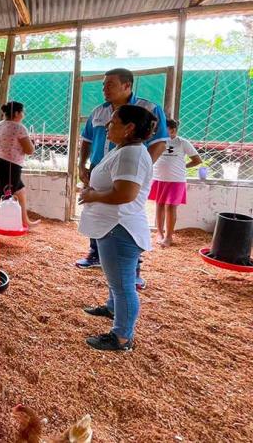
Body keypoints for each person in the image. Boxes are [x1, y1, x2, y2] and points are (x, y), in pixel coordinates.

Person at [76, 68, 168, 290]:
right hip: (101, 167)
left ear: (127, 85)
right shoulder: (99, 111)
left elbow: (160, 142)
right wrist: (82, 165)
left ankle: (133, 268)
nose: (104, 89)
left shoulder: (148, 108)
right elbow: (87, 140)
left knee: (124, 214)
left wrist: (138, 169)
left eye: (110, 84)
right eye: (103, 85)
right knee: (98, 210)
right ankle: (96, 253)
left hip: (127, 170)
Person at [78, 104, 157, 351]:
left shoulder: (131, 154)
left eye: (113, 122)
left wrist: (93, 196)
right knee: (117, 280)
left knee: (123, 286)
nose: (107, 126)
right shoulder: (124, 149)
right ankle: (112, 308)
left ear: (129, 128)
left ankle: (122, 337)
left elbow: (125, 193)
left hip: (120, 227)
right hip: (113, 226)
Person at [0, 101, 37, 230]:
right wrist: (32, 143)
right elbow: (29, 150)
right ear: (17, 113)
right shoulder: (19, 128)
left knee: (21, 192)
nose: (23, 115)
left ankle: (26, 222)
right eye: (22, 112)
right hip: (10, 168)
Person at [149, 119, 202, 247]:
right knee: (159, 204)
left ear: (173, 130)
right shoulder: (158, 141)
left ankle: (168, 236)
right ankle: (159, 233)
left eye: (163, 128)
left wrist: (183, 166)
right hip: (159, 178)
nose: (159, 130)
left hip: (176, 179)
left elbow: (197, 160)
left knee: (171, 206)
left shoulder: (182, 142)